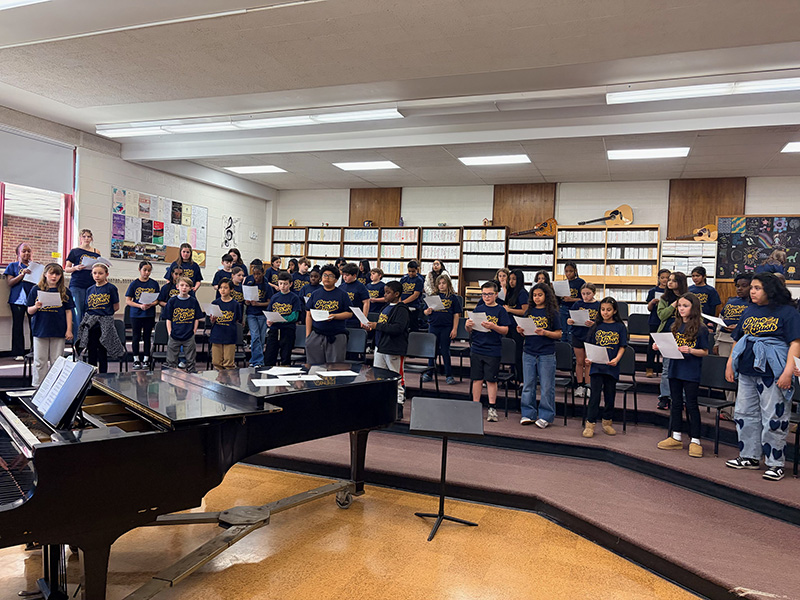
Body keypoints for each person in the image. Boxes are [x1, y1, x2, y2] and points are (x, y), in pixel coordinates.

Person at [725, 272, 800, 481]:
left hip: (772, 372)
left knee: (774, 416)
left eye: (757, 288)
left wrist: (787, 371)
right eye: (752, 288)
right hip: (748, 370)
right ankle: (749, 455)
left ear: (770, 290)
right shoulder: (750, 310)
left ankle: (775, 462)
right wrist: (731, 362)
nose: (752, 291)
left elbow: (796, 343)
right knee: (744, 413)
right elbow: (738, 338)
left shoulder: (788, 312)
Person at [654, 292, 709, 457]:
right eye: (679, 306)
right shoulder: (675, 325)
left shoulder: (701, 328)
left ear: (694, 308)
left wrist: (691, 350)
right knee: (676, 403)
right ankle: (676, 436)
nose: (681, 309)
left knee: (691, 405)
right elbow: (671, 346)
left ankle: (695, 440)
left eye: (685, 306)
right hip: (675, 369)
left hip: (690, 371)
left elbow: (704, 352)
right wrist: (660, 346)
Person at [361, 281, 410, 418]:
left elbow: (398, 328)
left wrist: (377, 325)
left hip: (394, 348)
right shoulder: (386, 307)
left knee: (397, 377)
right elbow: (381, 326)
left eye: (388, 292)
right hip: (380, 347)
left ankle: (398, 405)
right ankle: (382, 404)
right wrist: (372, 327)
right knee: (379, 377)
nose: (385, 295)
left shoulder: (401, 309)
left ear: (396, 294)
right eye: (385, 292)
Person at [465, 281, 511, 423]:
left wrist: (493, 326)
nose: (486, 297)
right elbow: (470, 331)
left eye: (489, 294)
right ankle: (475, 406)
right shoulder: (478, 309)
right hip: (477, 347)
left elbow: (505, 330)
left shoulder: (500, 310)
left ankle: (492, 407)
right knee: (477, 379)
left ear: (496, 294)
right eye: (484, 294)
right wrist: (468, 326)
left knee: (491, 379)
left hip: (492, 349)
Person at [517, 282, 561, 428]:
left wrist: (545, 332)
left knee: (547, 386)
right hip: (529, 351)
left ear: (546, 296)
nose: (537, 298)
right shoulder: (529, 312)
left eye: (540, 295)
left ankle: (545, 415)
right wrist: (521, 330)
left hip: (546, 353)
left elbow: (558, 334)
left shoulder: (552, 312)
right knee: (528, 384)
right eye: (534, 295)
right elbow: (526, 332)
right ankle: (528, 413)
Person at [582, 297, 627, 438]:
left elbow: (622, 346)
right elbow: (589, 346)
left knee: (610, 395)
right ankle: (590, 424)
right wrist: (588, 359)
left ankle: (607, 422)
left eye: (608, 310)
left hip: (611, 366)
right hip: (597, 366)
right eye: (602, 310)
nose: (605, 313)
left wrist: (617, 359)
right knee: (594, 395)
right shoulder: (596, 326)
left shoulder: (620, 327)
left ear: (614, 311)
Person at [26, 263, 74, 386]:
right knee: (39, 361)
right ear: (45, 274)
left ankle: (54, 386)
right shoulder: (36, 289)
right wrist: (36, 307)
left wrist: (69, 330)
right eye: (51, 273)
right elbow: (29, 311)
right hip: (40, 329)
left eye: (57, 274)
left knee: (57, 361)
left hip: (58, 329)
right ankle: (38, 385)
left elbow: (69, 312)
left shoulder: (65, 291)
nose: (54, 276)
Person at [714, 273, 752, 418]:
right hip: (725, 340)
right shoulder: (731, 302)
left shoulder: (753, 305)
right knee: (728, 375)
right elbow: (720, 320)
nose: (739, 289)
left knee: (741, 377)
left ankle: (741, 411)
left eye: (744, 286)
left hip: (742, 343)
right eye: (737, 286)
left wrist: (738, 327)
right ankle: (728, 409)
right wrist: (717, 341)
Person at [78, 264, 123, 374]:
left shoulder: (111, 288)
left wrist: (104, 315)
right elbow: (88, 306)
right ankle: (91, 375)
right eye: (95, 273)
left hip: (104, 322)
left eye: (100, 273)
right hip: (91, 323)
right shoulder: (89, 289)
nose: (97, 275)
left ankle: (103, 375)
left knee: (102, 350)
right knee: (91, 350)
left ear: (106, 274)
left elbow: (116, 306)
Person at [305, 264, 353, 364]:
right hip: (316, 334)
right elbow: (308, 314)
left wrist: (335, 316)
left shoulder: (342, 294)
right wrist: (308, 336)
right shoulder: (315, 294)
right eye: (324, 275)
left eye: (331, 276)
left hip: (336, 335)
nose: (327, 278)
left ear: (336, 280)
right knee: (314, 366)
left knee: (334, 367)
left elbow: (349, 313)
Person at [655, 271, 689, 410]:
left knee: (683, 367)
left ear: (680, 282)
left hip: (683, 335)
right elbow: (662, 316)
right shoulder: (665, 298)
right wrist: (674, 304)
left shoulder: (689, 298)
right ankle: (665, 397)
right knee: (667, 368)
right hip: (666, 335)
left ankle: (682, 398)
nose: (669, 282)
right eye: (669, 280)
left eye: (673, 280)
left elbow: (695, 315)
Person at [422, 274, 462, 385]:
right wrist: (427, 311)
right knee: (431, 350)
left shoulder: (453, 297)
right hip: (433, 326)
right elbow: (425, 311)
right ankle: (429, 373)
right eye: (439, 283)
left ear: (448, 284)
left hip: (446, 327)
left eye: (443, 283)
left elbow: (456, 314)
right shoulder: (433, 296)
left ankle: (449, 374)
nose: (441, 285)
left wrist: (454, 329)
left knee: (445, 350)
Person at [125, 260, 160, 370]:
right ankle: (136, 359)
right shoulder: (134, 284)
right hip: (136, 314)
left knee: (147, 337)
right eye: (144, 270)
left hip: (149, 314)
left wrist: (151, 304)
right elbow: (128, 301)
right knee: (136, 336)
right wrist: (140, 306)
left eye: (149, 271)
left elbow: (157, 300)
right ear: (140, 270)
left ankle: (146, 359)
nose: (146, 273)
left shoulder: (154, 283)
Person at [567, 283, 600, 398]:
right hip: (578, 334)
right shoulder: (578, 304)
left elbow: (601, 322)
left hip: (591, 336)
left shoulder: (598, 305)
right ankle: (580, 385)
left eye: (588, 294)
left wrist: (594, 324)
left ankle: (589, 385)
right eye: (583, 294)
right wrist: (570, 321)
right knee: (579, 361)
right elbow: (570, 317)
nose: (585, 296)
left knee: (588, 362)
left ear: (594, 293)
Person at [164, 277, 203, 373]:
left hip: (188, 335)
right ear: (177, 287)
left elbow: (196, 318)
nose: (184, 288)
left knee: (191, 360)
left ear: (190, 288)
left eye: (187, 286)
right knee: (171, 360)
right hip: (174, 334)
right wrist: (170, 332)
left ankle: (191, 377)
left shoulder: (193, 301)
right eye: (182, 285)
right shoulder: (172, 301)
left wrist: (194, 331)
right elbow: (168, 319)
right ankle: (172, 378)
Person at [4, 242, 36, 360]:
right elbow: (10, 283)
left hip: (32, 301)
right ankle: (18, 353)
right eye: (24, 251)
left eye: (29, 251)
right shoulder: (12, 266)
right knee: (17, 326)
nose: (26, 253)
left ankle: (35, 351)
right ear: (18, 253)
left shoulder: (35, 267)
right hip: (17, 301)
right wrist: (22, 275)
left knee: (34, 325)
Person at [265, 271, 302, 367]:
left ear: (290, 284)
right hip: (274, 330)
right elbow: (269, 312)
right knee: (270, 355)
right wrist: (268, 321)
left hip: (287, 330)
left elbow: (294, 316)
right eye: (280, 284)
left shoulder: (294, 298)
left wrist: (279, 319)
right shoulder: (274, 297)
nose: (283, 286)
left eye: (285, 284)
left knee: (285, 356)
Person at [65, 229, 101, 327]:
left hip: (92, 284)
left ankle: (87, 338)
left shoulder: (96, 251)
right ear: (80, 238)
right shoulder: (75, 251)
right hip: (77, 284)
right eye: (84, 236)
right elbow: (66, 269)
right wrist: (75, 268)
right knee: (78, 313)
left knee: (90, 312)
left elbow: (99, 266)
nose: (86, 238)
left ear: (91, 238)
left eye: (89, 236)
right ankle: (78, 339)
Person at [209, 278, 242, 370]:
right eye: (220, 288)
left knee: (228, 362)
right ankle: (218, 380)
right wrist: (212, 319)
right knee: (216, 361)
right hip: (217, 334)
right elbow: (211, 321)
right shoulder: (215, 303)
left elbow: (237, 319)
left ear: (231, 289)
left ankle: (228, 381)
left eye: (225, 288)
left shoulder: (235, 304)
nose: (222, 290)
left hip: (229, 334)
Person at [503, 269, 530, 385]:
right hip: (509, 325)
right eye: (510, 279)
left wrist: (509, 310)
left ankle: (521, 379)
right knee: (510, 353)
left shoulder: (522, 292)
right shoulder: (510, 292)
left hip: (518, 326)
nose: (511, 282)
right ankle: (511, 377)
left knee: (518, 353)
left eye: (514, 279)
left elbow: (525, 310)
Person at [244, 264, 273, 368]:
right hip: (251, 314)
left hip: (262, 314)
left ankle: (254, 360)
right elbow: (246, 301)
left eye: (258, 274)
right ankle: (258, 361)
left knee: (260, 338)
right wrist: (247, 302)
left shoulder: (267, 286)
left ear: (263, 273)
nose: (256, 276)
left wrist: (258, 304)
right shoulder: (250, 284)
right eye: (254, 274)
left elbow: (269, 302)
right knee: (255, 336)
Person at [645, 269, 670, 378]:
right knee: (652, 345)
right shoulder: (652, 291)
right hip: (655, 320)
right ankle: (649, 368)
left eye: (667, 278)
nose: (665, 280)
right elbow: (649, 308)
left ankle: (666, 369)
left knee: (667, 346)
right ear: (659, 278)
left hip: (666, 321)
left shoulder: (671, 291)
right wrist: (653, 302)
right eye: (663, 277)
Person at [558, 261, 586, 342]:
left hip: (575, 309)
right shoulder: (564, 283)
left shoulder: (581, 282)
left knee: (571, 331)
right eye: (566, 271)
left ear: (575, 271)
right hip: (563, 308)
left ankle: (571, 351)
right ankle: (564, 349)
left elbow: (583, 299)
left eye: (570, 271)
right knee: (563, 330)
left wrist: (571, 299)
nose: (568, 274)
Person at [339, 263, 370, 328]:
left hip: (355, 319)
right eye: (343, 275)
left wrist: (363, 319)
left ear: (354, 275)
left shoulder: (361, 287)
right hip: (343, 318)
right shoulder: (341, 287)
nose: (344, 277)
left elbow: (366, 303)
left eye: (347, 275)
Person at [400, 260, 425, 331]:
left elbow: (415, 295)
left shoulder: (419, 280)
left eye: (413, 271)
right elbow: (399, 291)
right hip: (403, 305)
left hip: (413, 306)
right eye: (409, 271)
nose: (411, 273)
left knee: (413, 326)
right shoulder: (404, 278)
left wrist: (403, 302)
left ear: (417, 270)